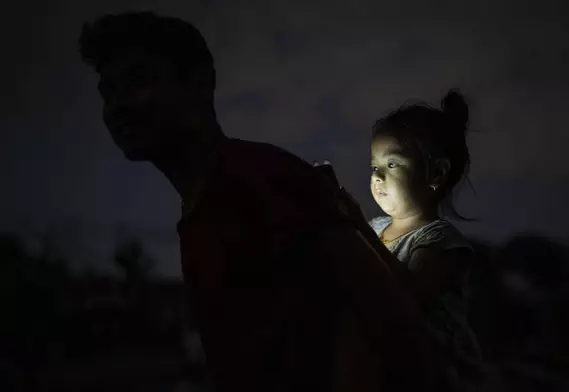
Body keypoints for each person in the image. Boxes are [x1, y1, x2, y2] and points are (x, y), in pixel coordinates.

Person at [78, 11, 448, 392]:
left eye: (137, 82)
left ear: (201, 83)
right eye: (109, 93)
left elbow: (394, 324)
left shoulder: (262, 181)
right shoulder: (203, 210)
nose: (118, 105)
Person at [350, 91, 482, 364]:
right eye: (374, 166)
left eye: (392, 163)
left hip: (435, 367)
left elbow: (407, 295)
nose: (377, 176)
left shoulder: (440, 240)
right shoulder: (374, 228)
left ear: (435, 174)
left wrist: (360, 232)